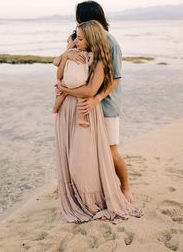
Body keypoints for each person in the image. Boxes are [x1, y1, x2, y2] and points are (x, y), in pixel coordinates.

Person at [55, 20, 143, 222]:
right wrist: (66, 55)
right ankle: (79, 194)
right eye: (77, 36)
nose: (78, 40)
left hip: (97, 108)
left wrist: (67, 90)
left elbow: (100, 85)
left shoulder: (104, 52)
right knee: (78, 156)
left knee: (101, 154)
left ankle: (122, 188)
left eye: (81, 36)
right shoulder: (79, 51)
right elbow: (62, 71)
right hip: (77, 109)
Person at [52, 30, 93, 127]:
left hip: (67, 82)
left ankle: (55, 108)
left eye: (68, 41)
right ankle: (81, 118)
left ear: (74, 42)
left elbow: (55, 62)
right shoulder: (86, 53)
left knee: (61, 93)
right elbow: (90, 63)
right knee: (81, 98)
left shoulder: (69, 53)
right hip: (81, 82)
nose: (67, 44)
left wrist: (66, 53)